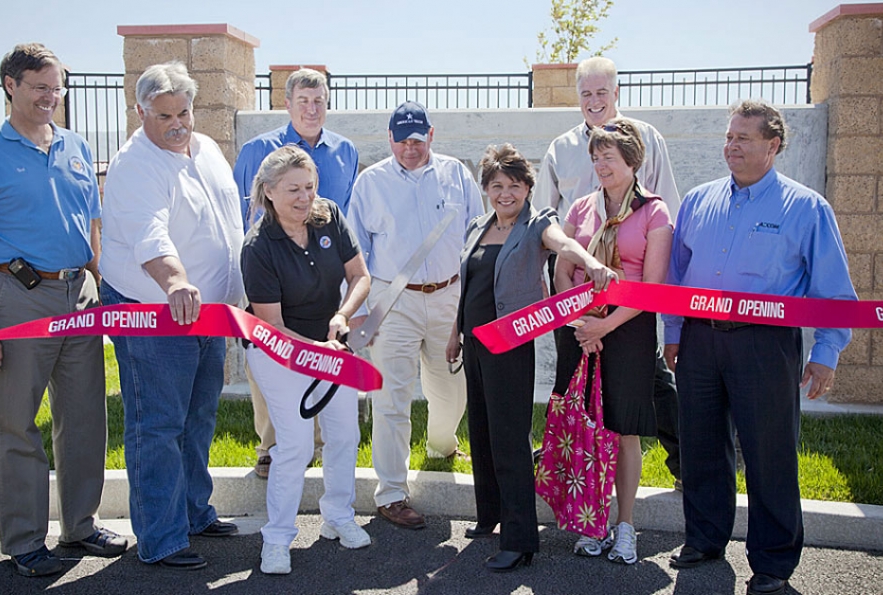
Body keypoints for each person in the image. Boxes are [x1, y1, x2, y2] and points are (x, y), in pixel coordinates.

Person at [664, 100, 857, 595]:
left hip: (766, 347)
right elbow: (677, 276)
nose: (731, 146)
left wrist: (825, 353)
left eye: (743, 138)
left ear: (772, 146)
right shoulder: (699, 200)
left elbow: (835, 292)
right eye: (729, 137)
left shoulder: (807, 207)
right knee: (702, 445)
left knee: (769, 453)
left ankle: (772, 560)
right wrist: (673, 332)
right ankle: (705, 539)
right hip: (701, 340)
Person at [0, 43, 126, 577]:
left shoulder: (76, 146)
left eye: (58, 88)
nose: (52, 97)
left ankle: (81, 525)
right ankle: (25, 540)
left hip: (80, 297)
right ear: (11, 84)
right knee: (15, 424)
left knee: (85, 419)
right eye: (40, 87)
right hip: (19, 297)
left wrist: (104, 287)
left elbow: (92, 226)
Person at [100, 62, 244, 570]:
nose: (178, 123)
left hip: (207, 315)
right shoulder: (134, 165)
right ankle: (160, 539)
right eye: (164, 115)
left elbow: (229, 223)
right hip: (154, 313)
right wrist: (176, 281)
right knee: (157, 424)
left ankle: (193, 512)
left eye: (184, 112)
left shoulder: (205, 149)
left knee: (198, 416)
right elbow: (149, 234)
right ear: (140, 112)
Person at [447, 144, 617, 573]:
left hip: (510, 345)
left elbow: (564, 245)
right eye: (497, 186)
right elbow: (468, 289)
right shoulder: (477, 226)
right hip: (475, 343)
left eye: (515, 186)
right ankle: (490, 516)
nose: (506, 194)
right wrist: (455, 335)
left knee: (509, 438)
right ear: (486, 189)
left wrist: (591, 261)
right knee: (482, 433)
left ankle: (519, 540)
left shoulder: (537, 223)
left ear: (528, 188)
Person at [535, 56, 683, 490]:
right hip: (575, 294)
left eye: (602, 92)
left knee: (649, 388)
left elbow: (665, 211)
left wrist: (639, 304)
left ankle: (688, 469)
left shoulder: (647, 139)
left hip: (631, 298)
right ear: (577, 97)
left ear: (616, 93)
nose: (594, 101)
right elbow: (547, 219)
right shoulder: (561, 149)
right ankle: (569, 482)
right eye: (586, 94)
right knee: (573, 387)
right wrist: (578, 316)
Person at [347, 101, 485, 529]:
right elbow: (356, 252)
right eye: (402, 140)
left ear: (431, 135)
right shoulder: (370, 183)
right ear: (389, 139)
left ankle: (442, 445)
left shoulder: (457, 175)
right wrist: (355, 312)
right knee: (391, 398)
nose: (411, 148)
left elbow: (477, 235)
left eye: (418, 140)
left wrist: (473, 301)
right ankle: (391, 492)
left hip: (449, 296)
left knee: (452, 389)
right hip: (393, 301)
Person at [241, 145, 371, 575]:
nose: (304, 198)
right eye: (293, 189)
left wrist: (342, 314)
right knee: (294, 446)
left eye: (310, 187)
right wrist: (319, 350)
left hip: (330, 344)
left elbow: (359, 276)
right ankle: (277, 539)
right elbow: (274, 327)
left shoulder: (329, 214)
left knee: (344, 435)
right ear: (269, 192)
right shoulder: (258, 246)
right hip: (279, 353)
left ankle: (338, 516)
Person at [553, 118, 673, 564]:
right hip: (580, 330)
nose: (601, 164)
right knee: (587, 428)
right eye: (596, 157)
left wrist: (604, 327)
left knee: (623, 431)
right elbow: (564, 269)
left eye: (609, 157)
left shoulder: (654, 212)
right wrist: (583, 322)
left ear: (632, 161)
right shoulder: (582, 209)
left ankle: (625, 527)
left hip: (627, 331)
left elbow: (652, 286)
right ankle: (593, 520)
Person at [233, 68, 359, 479]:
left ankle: (317, 448)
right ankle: (271, 448)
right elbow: (242, 216)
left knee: (325, 372)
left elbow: (342, 219)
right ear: (286, 104)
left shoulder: (345, 152)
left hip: (322, 274)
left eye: (319, 100)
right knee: (275, 372)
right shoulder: (257, 150)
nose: (311, 108)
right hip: (271, 276)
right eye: (303, 100)